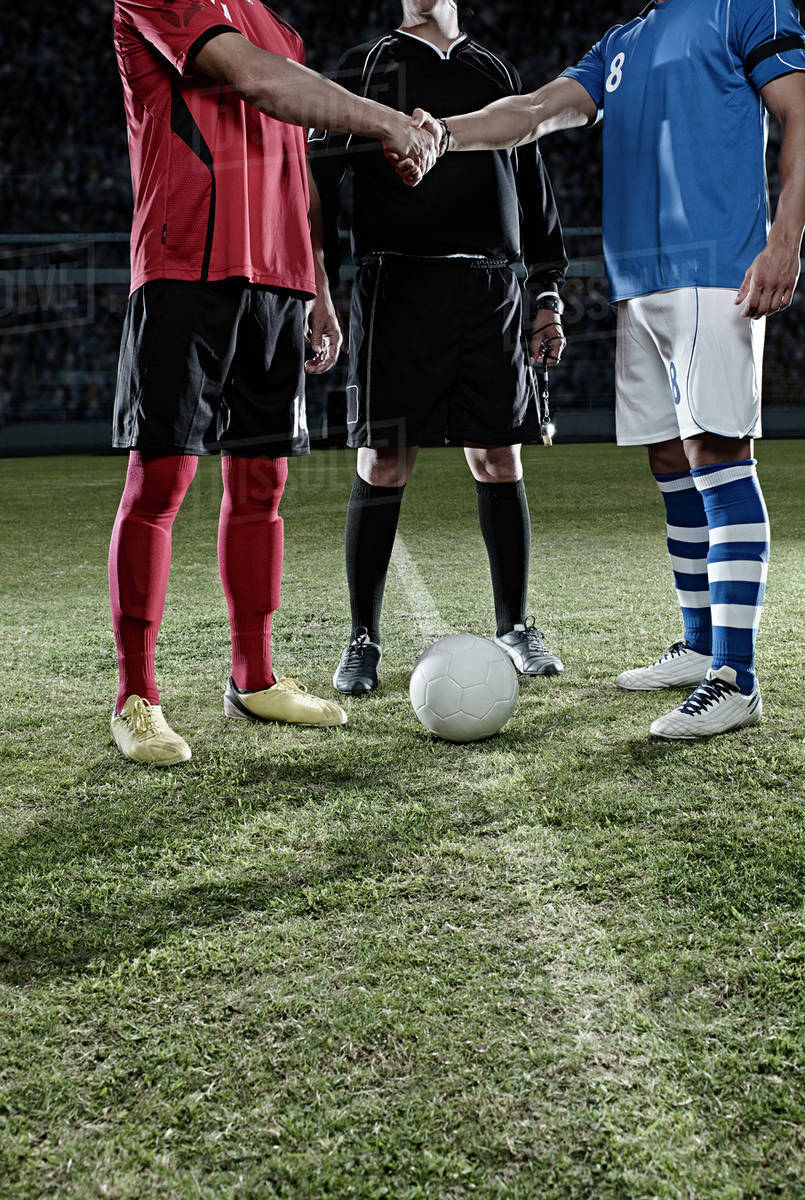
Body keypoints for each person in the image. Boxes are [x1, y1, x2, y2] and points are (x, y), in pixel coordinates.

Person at [413, 0, 805, 738]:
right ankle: (700, 645)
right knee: (671, 460)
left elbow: (804, 118)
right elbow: (535, 111)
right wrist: (446, 132)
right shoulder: (620, 40)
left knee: (719, 456)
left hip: (715, 271)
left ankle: (737, 676)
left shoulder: (744, 4)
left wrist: (784, 240)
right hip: (639, 281)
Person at [109, 0, 441, 765]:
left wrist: (317, 289)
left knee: (262, 487)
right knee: (161, 482)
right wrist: (388, 121)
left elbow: (295, 169)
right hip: (183, 267)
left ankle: (253, 678)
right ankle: (135, 695)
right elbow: (256, 84)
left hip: (277, 286)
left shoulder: (278, 25)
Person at [311, 0, 569, 696]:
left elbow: (533, 190)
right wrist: (320, 292)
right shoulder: (364, 67)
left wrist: (544, 293)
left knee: (498, 455)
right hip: (394, 285)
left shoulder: (494, 69)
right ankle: (362, 638)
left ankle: (514, 625)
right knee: (384, 457)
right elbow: (315, 193)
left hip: (491, 291)